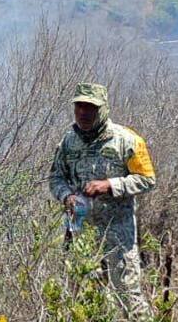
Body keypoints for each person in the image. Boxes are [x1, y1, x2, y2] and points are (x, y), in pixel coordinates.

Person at [48, 82, 157, 318]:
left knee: (130, 299)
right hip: (81, 235)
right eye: (79, 107)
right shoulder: (67, 142)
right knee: (84, 301)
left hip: (118, 234)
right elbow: (56, 178)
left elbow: (147, 179)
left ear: (103, 109)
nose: (83, 113)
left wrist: (110, 185)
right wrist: (66, 196)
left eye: (90, 108)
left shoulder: (127, 140)